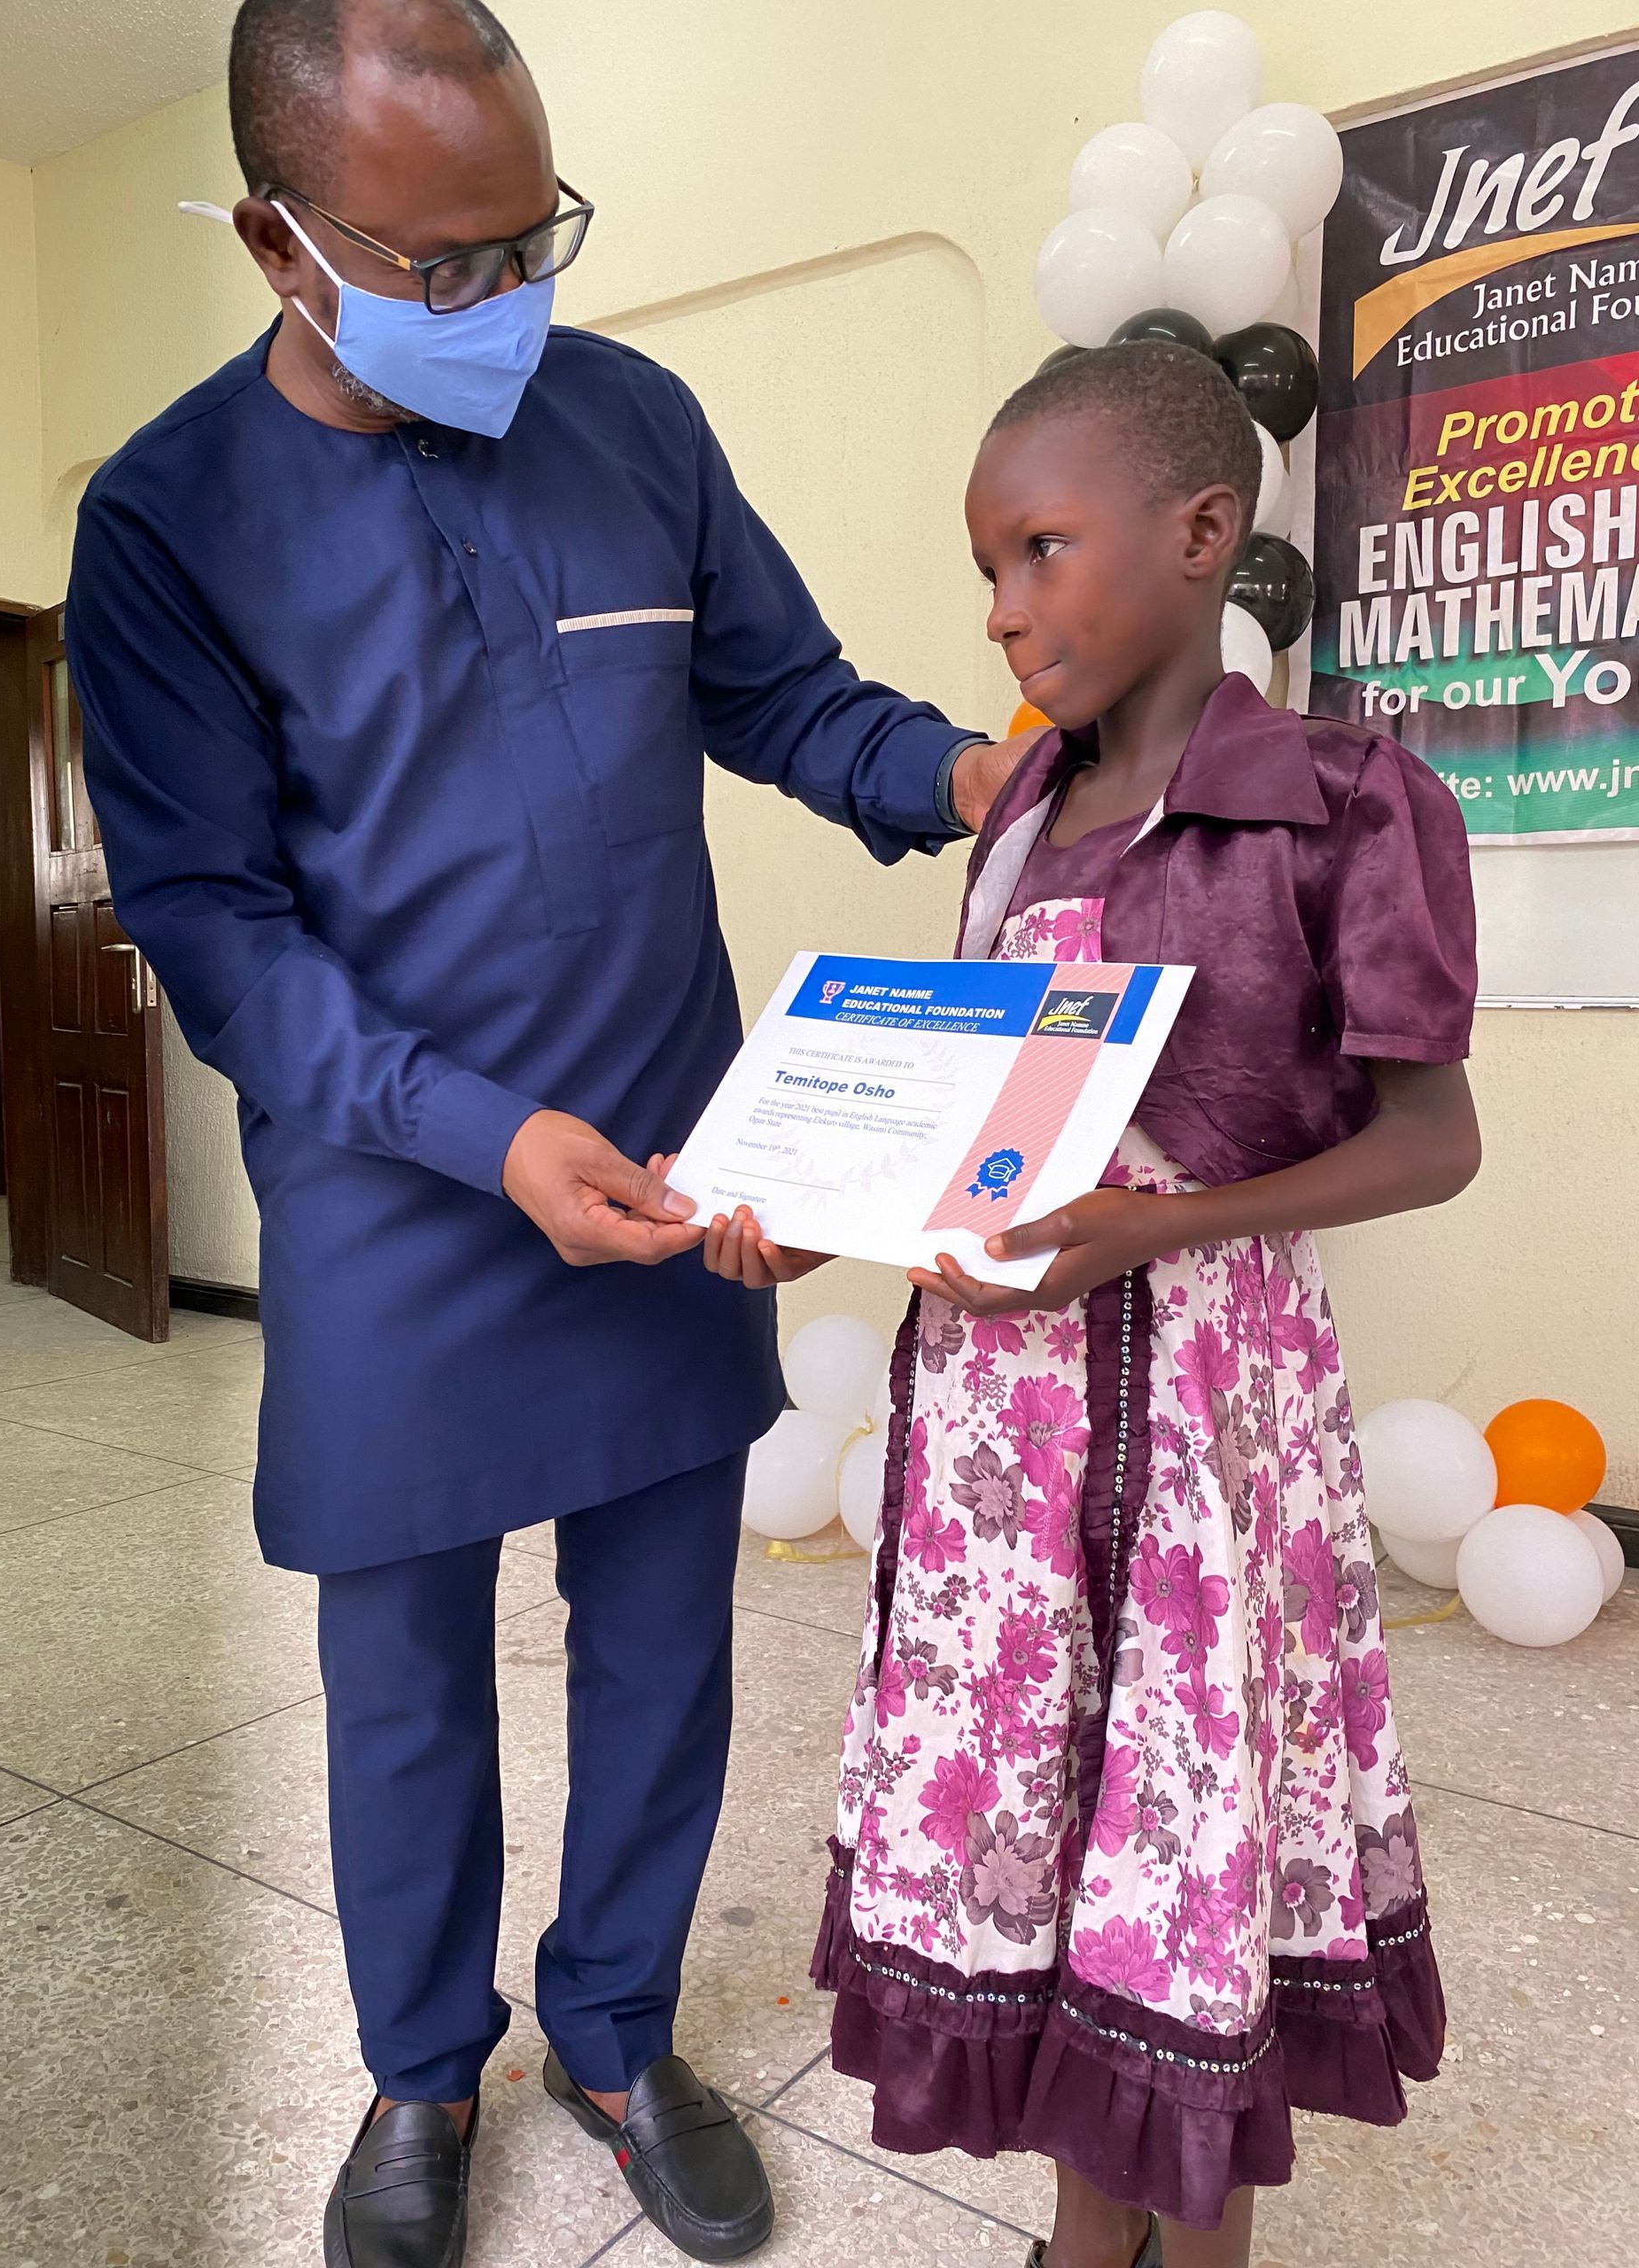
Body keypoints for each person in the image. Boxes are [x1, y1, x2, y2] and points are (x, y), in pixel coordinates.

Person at [64, 4, 1024, 2263]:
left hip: (678, 1162)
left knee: (663, 1639)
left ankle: (616, 2023)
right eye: (442, 262)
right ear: (281, 239)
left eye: (534, 243)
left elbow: (783, 696)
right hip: (402, 1194)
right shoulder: (167, 519)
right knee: (400, 1680)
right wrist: (485, 1138)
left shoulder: (636, 422)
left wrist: (973, 777)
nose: (506, 304)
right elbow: (218, 927)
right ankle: (419, 2073)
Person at [703, 341, 1480, 2268]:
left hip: (1207, 1421)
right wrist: (824, 1207)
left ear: (1203, 531)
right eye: (987, 564)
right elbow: (985, 1106)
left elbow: (1433, 1139)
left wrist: (1172, 1223)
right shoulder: (1021, 808)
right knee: (1045, 1844)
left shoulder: (1345, 798)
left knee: (1175, 1857)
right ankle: (1083, 2236)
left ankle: (1184, 2243)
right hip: (997, 1440)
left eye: (1042, 548)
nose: (1001, 607)